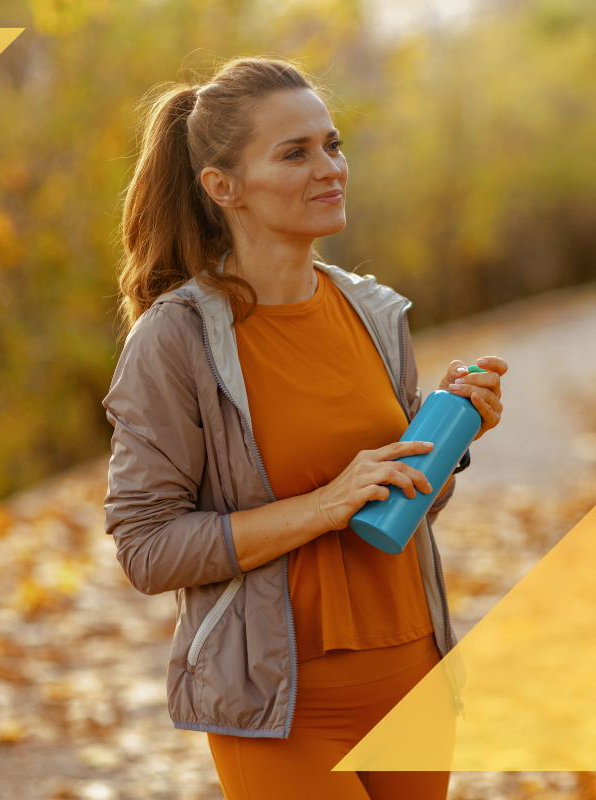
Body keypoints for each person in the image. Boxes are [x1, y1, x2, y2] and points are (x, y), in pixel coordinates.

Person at [102, 56, 507, 799]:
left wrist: (448, 442)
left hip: (413, 671)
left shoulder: (375, 314)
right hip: (278, 699)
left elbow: (398, 508)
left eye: (333, 144)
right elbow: (147, 548)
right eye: (295, 153)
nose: (329, 168)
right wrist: (321, 507)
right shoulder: (177, 341)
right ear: (223, 188)